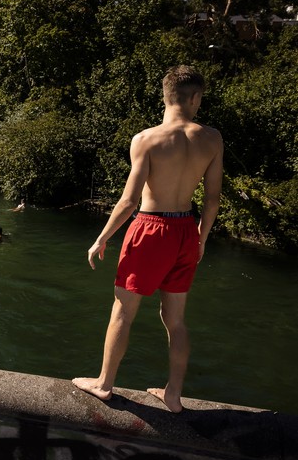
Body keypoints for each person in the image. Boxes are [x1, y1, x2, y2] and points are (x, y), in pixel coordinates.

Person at [72, 65, 223, 413]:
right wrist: (200, 239)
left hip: (151, 227)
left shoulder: (147, 139)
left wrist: (101, 238)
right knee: (176, 320)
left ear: (165, 96)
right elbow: (212, 200)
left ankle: (104, 383)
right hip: (186, 228)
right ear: (195, 98)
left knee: (123, 311)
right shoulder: (212, 139)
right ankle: (173, 395)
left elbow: (129, 201)